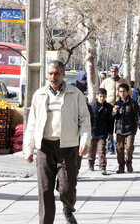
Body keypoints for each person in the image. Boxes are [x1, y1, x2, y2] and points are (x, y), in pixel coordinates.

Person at [24, 60, 91, 224]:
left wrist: (85, 140)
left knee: (67, 188)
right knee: (45, 189)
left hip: (67, 146)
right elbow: (32, 123)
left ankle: (68, 209)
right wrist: (28, 148)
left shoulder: (75, 94)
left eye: (56, 73)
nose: (53, 77)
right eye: (50, 73)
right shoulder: (39, 95)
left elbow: (84, 120)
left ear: (63, 75)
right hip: (44, 147)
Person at [113, 83, 140, 173]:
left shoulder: (133, 103)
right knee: (119, 148)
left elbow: (138, 115)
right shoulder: (117, 103)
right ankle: (121, 165)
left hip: (130, 128)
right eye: (120, 91)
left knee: (129, 147)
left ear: (127, 92)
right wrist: (114, 112)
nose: (122, 93)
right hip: (120, 128)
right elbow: (115, 118)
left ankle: (129, 162)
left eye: (123, 91)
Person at [100, 65, 132, 154]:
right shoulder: (106, 82)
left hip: (120, 106)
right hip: (109, 106)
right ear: (110, 72)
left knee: (120, 126)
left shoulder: (124, 81)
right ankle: (110, 147)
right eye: (112, 71)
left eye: (115, 71)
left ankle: (120, 144)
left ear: (118, 72)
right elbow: (100, 92)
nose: (114, 73)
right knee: (109, 126)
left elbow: (130, 92)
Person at [88, 88, 114, 175]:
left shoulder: (109, 107)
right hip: (92, 132)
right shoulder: (91, 106)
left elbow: (111, 121)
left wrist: (110, 132)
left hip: (103, 132)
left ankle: (102, 166)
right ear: (97, 96)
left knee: (102, 150)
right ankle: (91, 163)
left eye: (103, 97)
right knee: (91, 149)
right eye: (100, 97)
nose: (102, 99)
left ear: (106, 97)